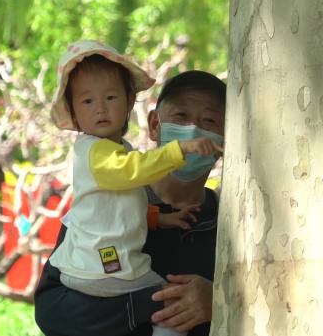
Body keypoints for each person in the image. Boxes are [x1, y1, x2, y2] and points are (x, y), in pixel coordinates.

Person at [42, 40, 223, 336]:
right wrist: (137, 307)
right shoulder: (95, 201)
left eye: (210, 120)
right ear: (154, 125)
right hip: (115, 275)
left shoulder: (229, 225)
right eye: (181, 117)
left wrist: (219, 300)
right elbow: (51, 311)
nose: (192, 129)